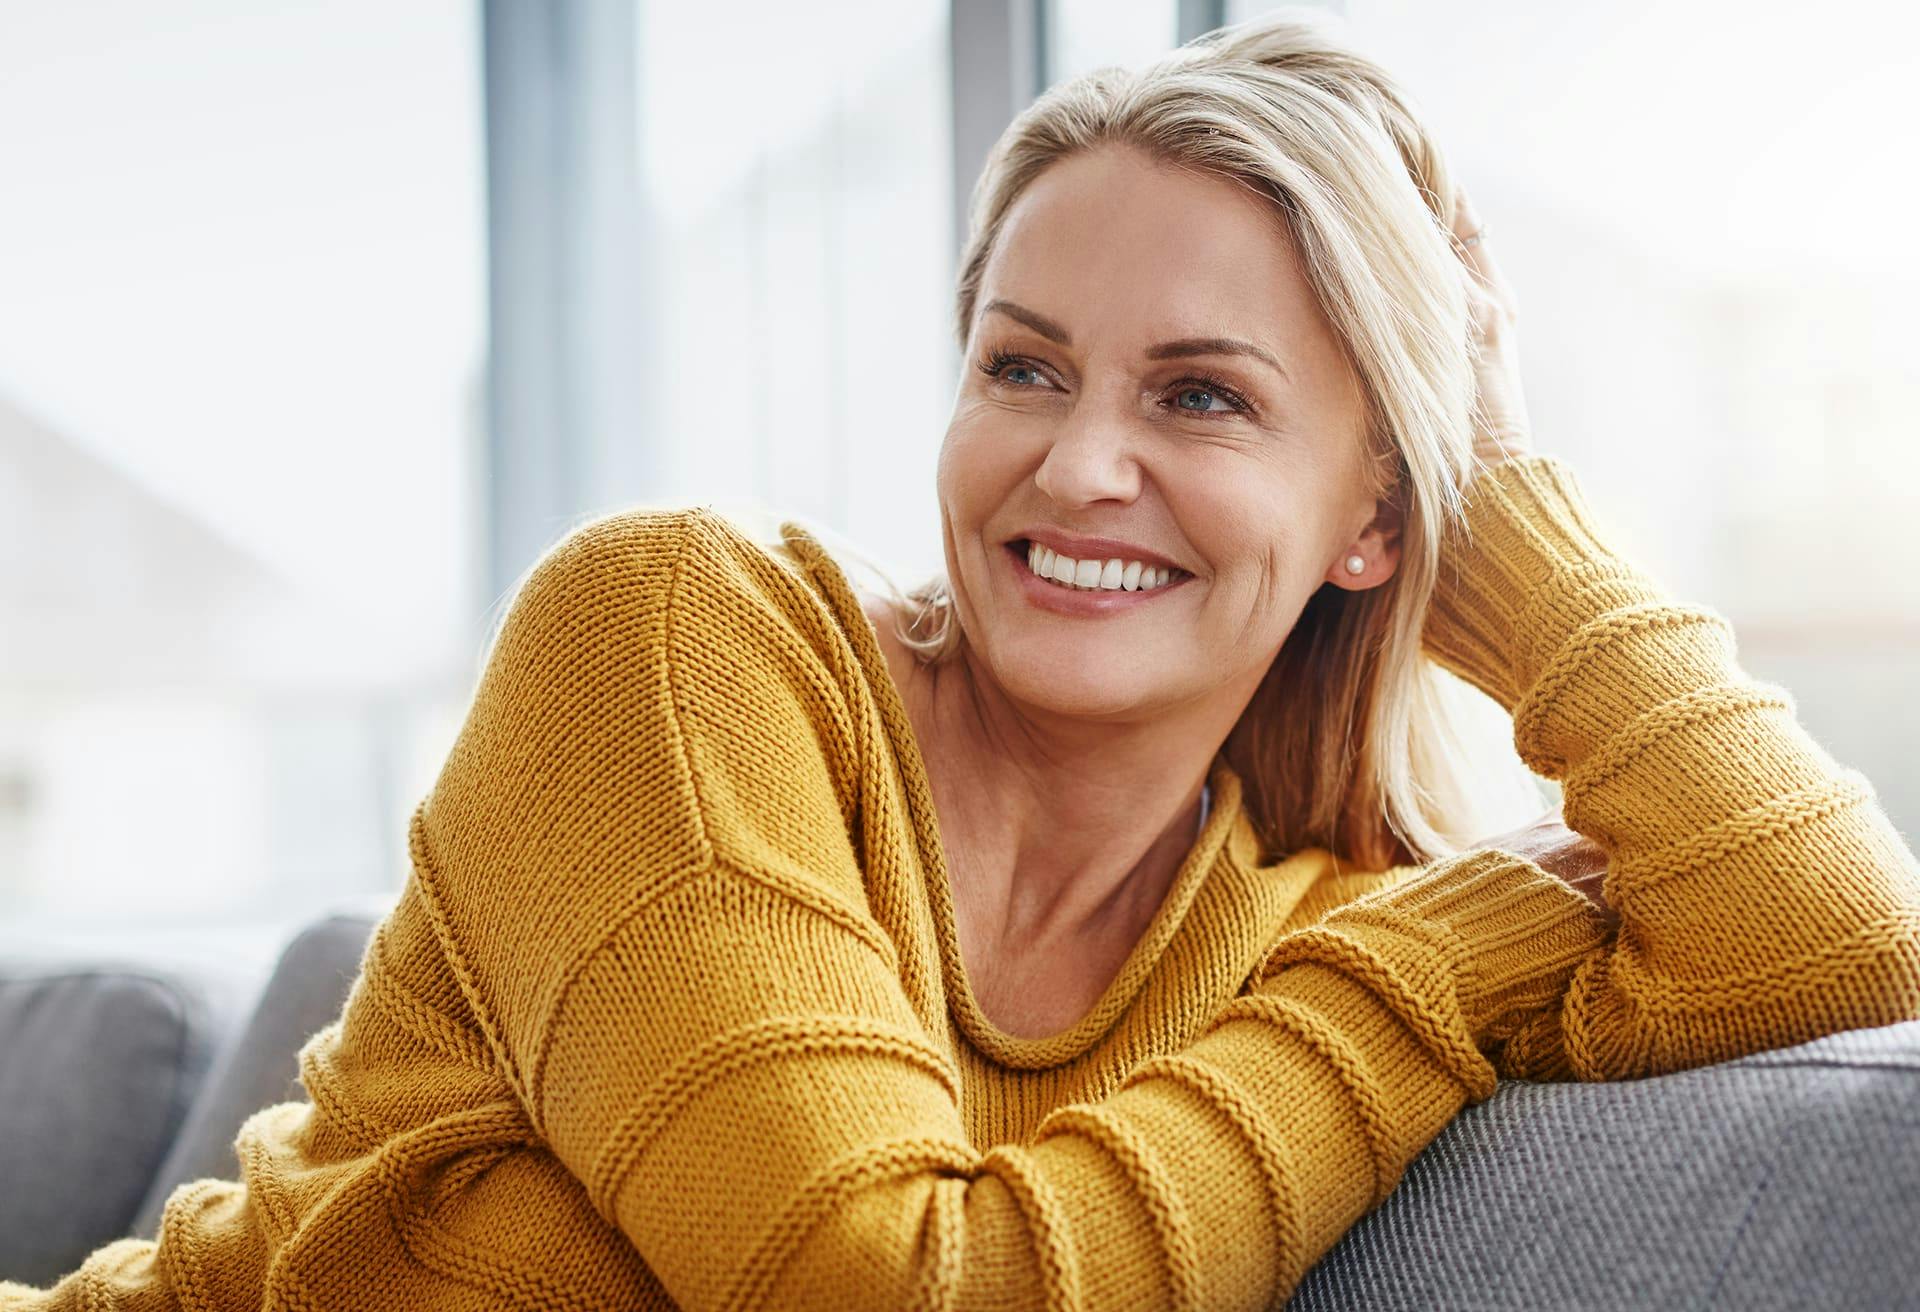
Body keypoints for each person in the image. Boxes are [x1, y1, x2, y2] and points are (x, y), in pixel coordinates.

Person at [7, 9, 1918, 1310]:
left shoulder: (1307, 922)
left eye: (1203, 394)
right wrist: (1393, 993)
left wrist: (1490, 510)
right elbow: (878, 1284)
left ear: (1374, 524)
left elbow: (1838, 936)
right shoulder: (674, 643)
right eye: (1022, 366)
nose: (1078, 461)